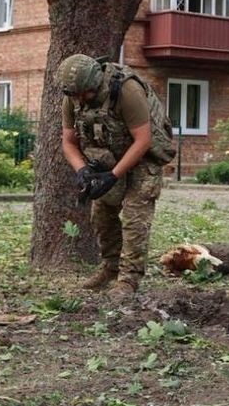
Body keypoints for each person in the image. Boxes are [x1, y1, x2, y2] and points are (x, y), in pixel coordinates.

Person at [58, 53, 164, 297]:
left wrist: (113, 176)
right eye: (74, 95)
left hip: (144, 157)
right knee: (102, 215)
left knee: (134, 219)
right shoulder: (72, 97)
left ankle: (129, 279)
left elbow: (143, 140)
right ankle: (110, 268)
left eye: (83, 94)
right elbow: (68, 141)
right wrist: (82, 170)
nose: (79, 100)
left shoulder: (126, 90)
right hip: (109, 156)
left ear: (94, 83)